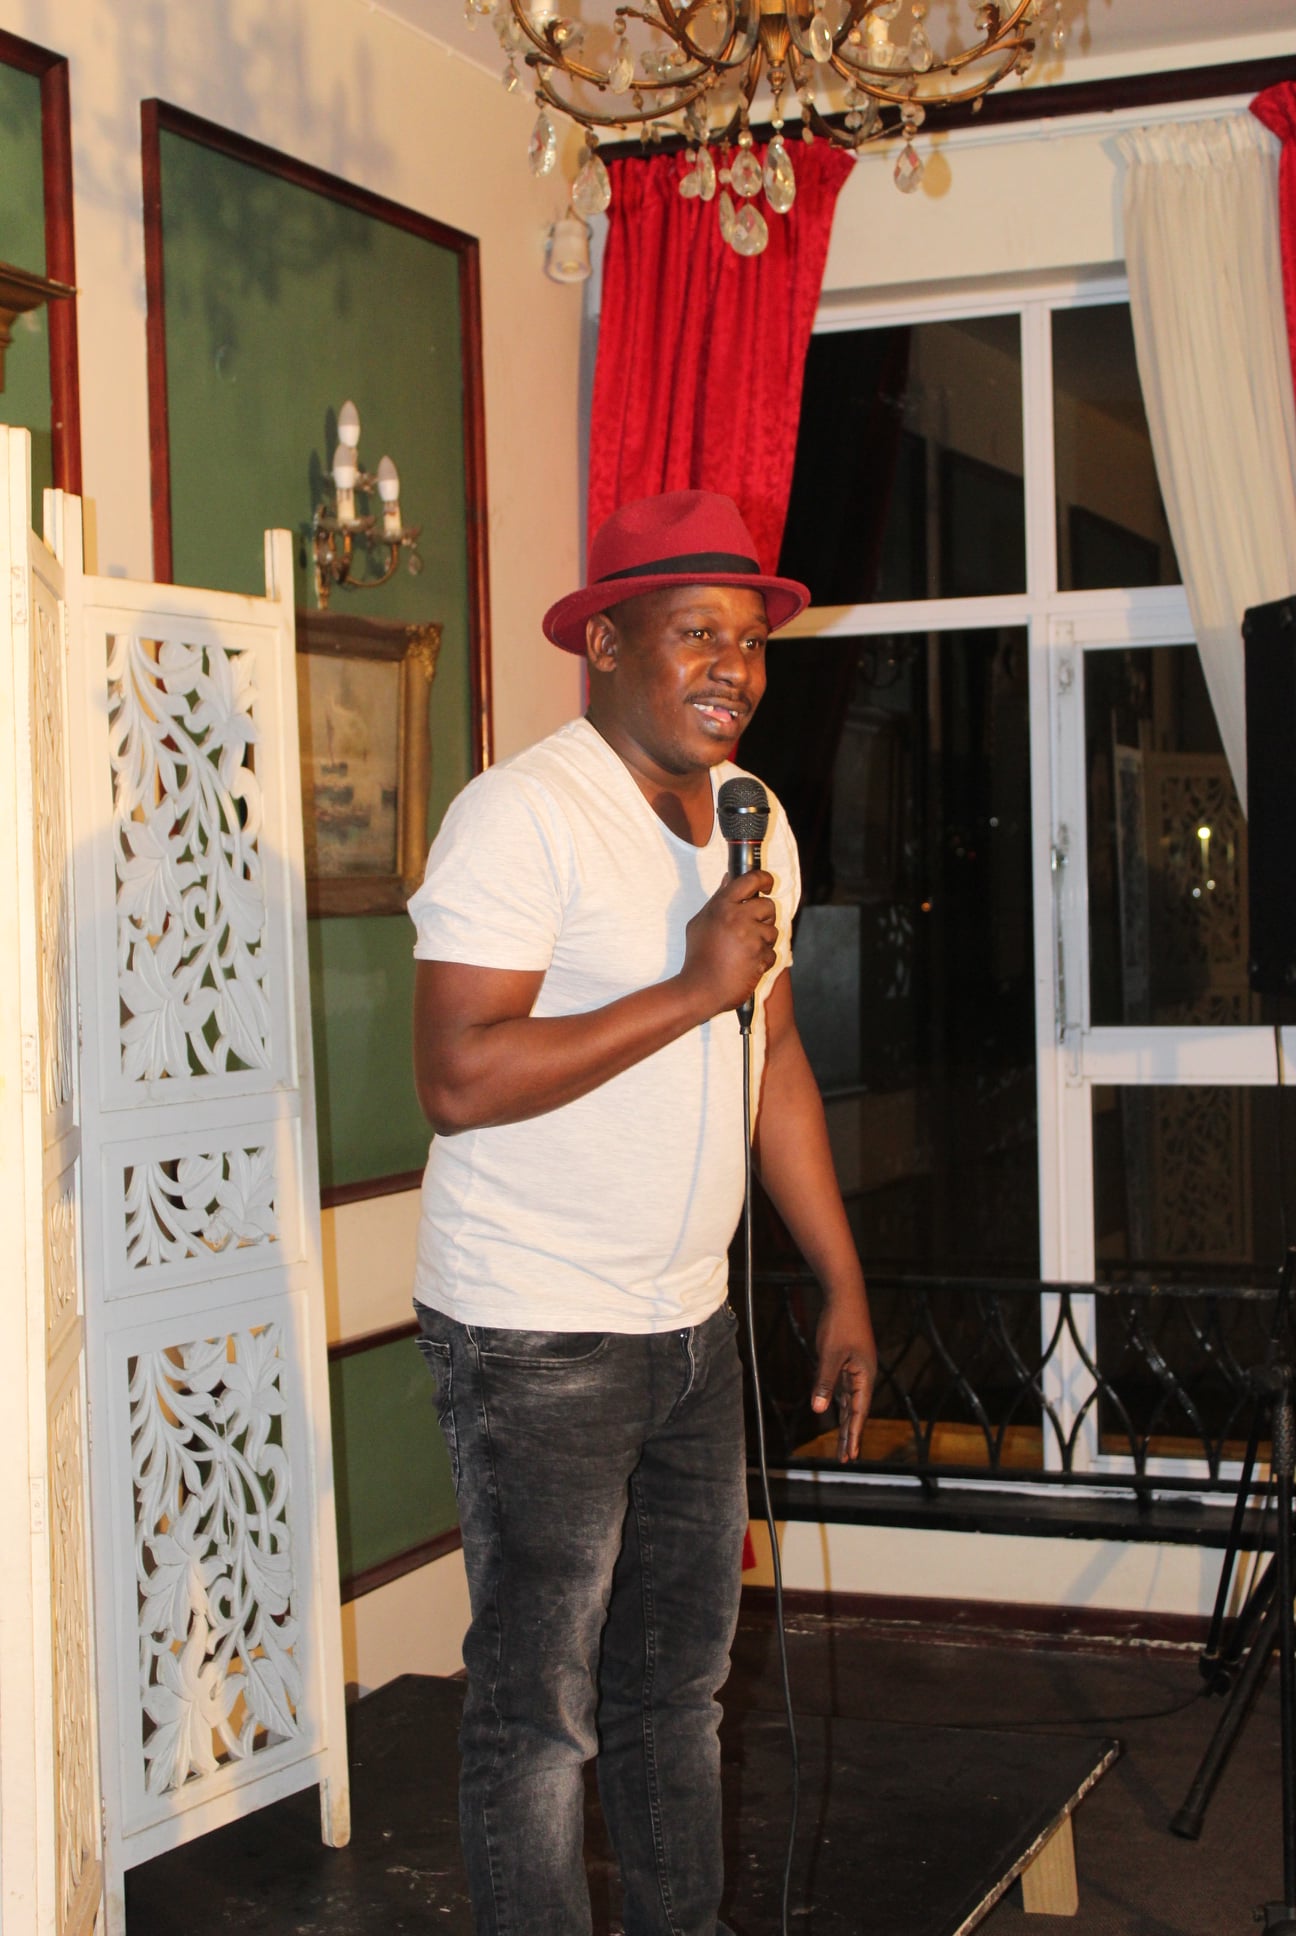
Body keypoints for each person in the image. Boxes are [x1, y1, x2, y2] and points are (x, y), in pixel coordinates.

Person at [408, 490, 876, 1936]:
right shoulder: (521, 814)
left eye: (751, 639)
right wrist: (688, 987)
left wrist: (841, 1281)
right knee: (539, 1712)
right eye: (697, 633)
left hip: (690, 1327)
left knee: (678, 1687)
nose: (735, 666)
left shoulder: (754, 820)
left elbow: (770, 1052)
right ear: (605, 644)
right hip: (535, 1331)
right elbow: (457, 1077)